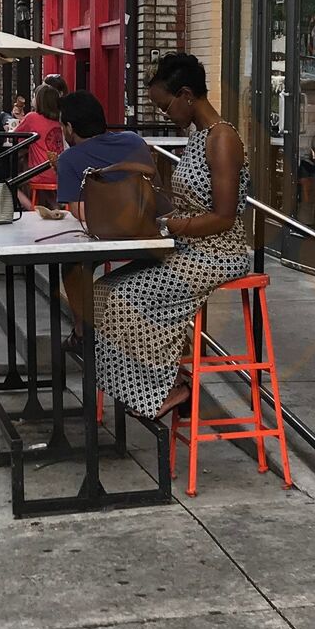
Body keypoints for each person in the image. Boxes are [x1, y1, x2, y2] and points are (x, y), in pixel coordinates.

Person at [91, 53, 251, 420]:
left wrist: (169, 226)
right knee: (102, 290)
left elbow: (223, 218)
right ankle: (165, 380)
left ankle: (169, 390)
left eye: (165, 106)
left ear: (186, 95)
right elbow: (192, 201)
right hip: (187, 246)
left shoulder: (222, 138)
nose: (164, 114)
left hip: (218, 254)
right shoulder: (198, 137)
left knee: (124, 297)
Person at [56, 90, 155, 222]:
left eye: (61, 126)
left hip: (117, 233)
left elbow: (81, 212)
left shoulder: (67, 159)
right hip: (156, 223)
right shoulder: (134, 140)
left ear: (69, 127)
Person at [16, 81, 64, 202]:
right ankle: (54, 207)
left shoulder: (32, 117)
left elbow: (15, 135)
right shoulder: (59, 121)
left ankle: (32, 210)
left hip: (39, 173)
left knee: (10, 182)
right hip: (59, 172)